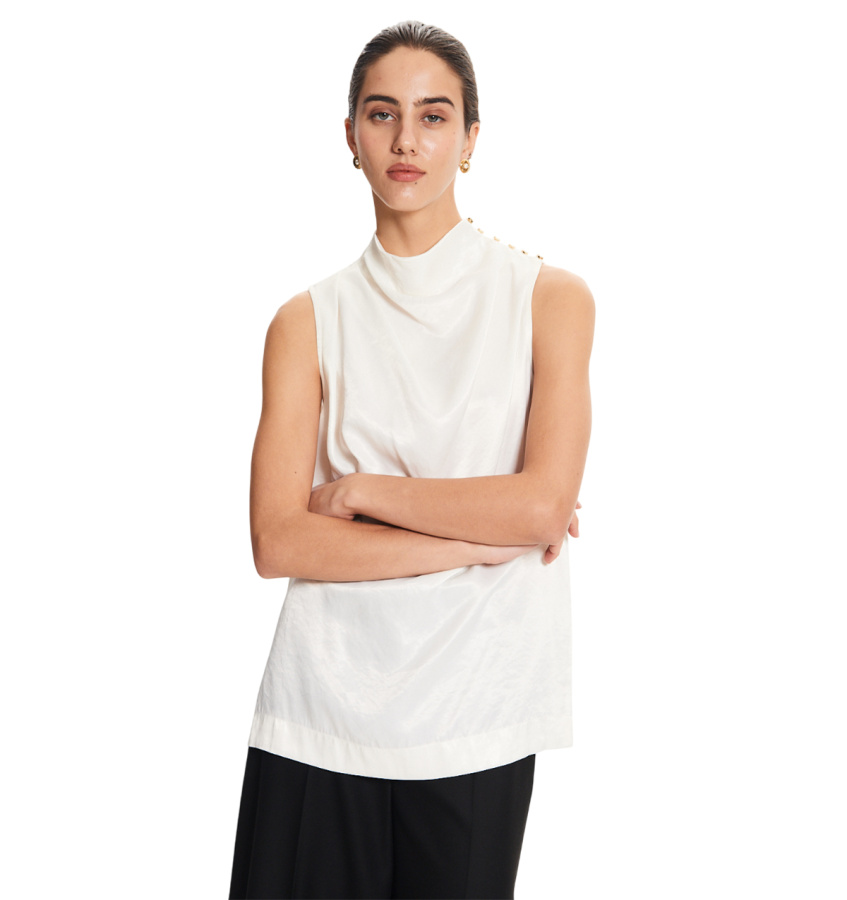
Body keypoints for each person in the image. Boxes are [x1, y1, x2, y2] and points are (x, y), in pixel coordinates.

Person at [228, 19, 594, 900]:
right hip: (320, 710)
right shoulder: (305, 321)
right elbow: (279, 542)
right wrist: (474, 537)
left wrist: (361, 491)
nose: (405, 140)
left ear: (470, 140)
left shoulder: (549, 300)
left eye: (434, 116)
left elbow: (539, 509)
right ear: (350, 136)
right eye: (382, 113)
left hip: (478, 710)